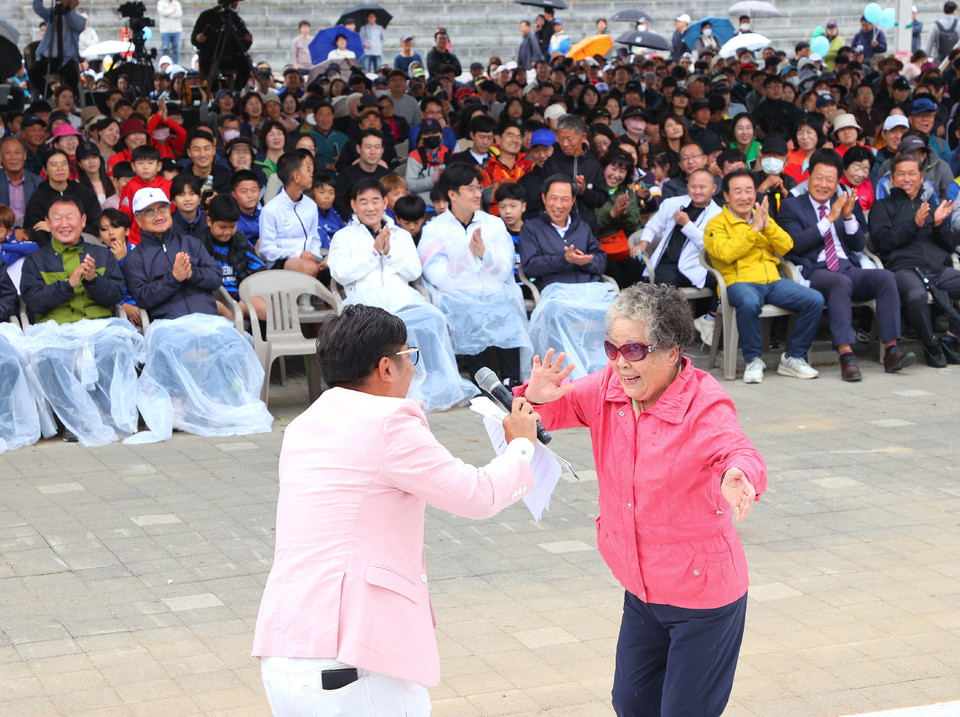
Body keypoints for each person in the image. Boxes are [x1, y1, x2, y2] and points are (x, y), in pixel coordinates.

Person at [252, 302, 538, 716]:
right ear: (386, 367)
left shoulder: (304, 423)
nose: (414, 370)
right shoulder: (389, 422)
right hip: (354, 662)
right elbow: (477, 496)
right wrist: (521, 446)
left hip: (287, 648)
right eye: (410, 357)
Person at [516, 282, 766, 717]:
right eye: (611, 348)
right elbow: (545, 414)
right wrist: (532, 397)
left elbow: (735, 448)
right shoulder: (607, 388)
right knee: (631, 705)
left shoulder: (703, 403)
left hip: (701, 594)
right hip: (642, 588)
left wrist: (738, 475)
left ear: (671, 351)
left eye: (633, 350)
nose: (619, 363)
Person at [328, 178, 476, 411]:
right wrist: (374, 252)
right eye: (363, 202)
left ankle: (430, 385)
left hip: (402, 298)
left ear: (385, 202)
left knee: (433, 318)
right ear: (354, 205)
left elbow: (414, 271)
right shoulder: (343, 236)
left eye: (376, 201)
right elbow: (341, 273)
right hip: (365, 302)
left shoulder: (400, 234)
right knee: (380, 331)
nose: (370, 207)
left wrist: (388, 253)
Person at [779, 150, 915, 381]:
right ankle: (847, 355)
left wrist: (849, 217)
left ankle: (891, 350)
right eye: (818, 178)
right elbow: (794, 245)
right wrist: (829, 220)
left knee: (885, 277)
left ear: (837, 182)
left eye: (830, 180)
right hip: (816, 270)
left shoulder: (846, 201)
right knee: (839, 282)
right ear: (809, 177)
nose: (823, 184)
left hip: (847, 266)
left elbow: (859, 244)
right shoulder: (791, 206)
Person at [19, 195, 137, 445]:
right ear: (48, 223)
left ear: (83, 221)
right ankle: (74, 419)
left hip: (99, 326)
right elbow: (34, 301)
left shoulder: (102, 255)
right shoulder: (35, 260)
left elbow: (115, 295)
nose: (64, 223)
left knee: (117, 346)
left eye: (70, 217)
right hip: (56, 329)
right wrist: (69, 285)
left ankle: (108, 414)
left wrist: (93, 280)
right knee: (47, 355)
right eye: (57, 218)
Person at [704, 169, 824, 383]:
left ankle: (793, 357)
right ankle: (753, 360)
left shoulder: (761, 216)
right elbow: (725, 253)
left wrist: (767, 226)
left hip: (772, 281)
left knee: (814, 299)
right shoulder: (716, 224)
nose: (744, 197)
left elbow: (787, 246)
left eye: (749, 190)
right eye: (738, 191)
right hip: (739, 282)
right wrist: (754, 229)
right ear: (727, 196)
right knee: (749, 302)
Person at [418, 164, 531, 387]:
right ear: (452, 194)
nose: (478, 193)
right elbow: (435, 273)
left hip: (494, 289)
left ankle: (511, 380)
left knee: (503, 305)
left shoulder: (494, 224)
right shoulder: (434, 229)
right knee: (466, 311)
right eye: (470, 188)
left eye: (479, 187)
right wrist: (464, 259)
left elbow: (505, 268)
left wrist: (484, 254)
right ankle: (483, 383)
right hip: (457, 294)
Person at [868, 152, 960, 367]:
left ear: (921, 179)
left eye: (912, 173)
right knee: (916, 295)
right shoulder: (882, 207)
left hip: (938, 270)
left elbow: (948, 245)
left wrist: (938, 225)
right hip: (904, 270)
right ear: (891, 179)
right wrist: (914, 225)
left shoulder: (931, 206)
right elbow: (882, 242)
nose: (906, 178)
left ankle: (950, 337)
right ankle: (930, 345)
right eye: (901, 174)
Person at [520, 175, 613, 378]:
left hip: (589, 292)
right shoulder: (531, 229)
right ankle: (567, 374)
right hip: (558, 294)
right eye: (553, 198)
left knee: (620, 309)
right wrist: (565, 259)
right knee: (554, 311)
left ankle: (607, 372)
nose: (558, 205)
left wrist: (585, 260)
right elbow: (530, 266)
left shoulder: (583, 227)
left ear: (573, 201)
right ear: (544, 198)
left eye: (565, 199)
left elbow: (600, 261)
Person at [259, 152, 329, 303]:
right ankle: (303, 299)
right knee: (309, 268)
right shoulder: (270, 210)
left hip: (310, 260)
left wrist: (316, 256)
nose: (312, 174)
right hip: (282, 262)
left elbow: (314, 237)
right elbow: (267, 250)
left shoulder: (310, 205)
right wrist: (298, 254)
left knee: (333, 268)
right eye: (308, 170)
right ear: (295, 177)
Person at [191, 0, 253, 90]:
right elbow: (194, 38)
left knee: (245, 65)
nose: (236, 4)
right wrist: (199, 38)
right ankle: (214, 93)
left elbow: (245, 39)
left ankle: (236, 91)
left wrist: (246, 38)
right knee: (209, 75)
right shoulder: (206, 16)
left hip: (232, 55)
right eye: (235, 1)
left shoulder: (234, 18)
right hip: (210, 55)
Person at [31, 0, 84, 97]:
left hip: (67, 58)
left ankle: (70, 98)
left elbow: (79, 26)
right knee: (33, 72)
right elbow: (38, 8)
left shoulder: (78, 18)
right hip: (48, 58)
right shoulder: (52, 14)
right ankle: (51, 97)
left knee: (72, 75)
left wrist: (67, 9)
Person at [0, 137, 42, 225]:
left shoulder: (38, 183)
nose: (13, 157)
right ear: (1, 158)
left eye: (17, 153)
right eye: (8, 153)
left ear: (25, 156)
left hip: (29, 231)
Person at [157, 0, 184, 64]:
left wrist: (168, 12)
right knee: (165, 49)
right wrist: (173, 11)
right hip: (165, 30)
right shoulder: (161, 3)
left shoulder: (177, 3)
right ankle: (165, 66)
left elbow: (179, 14)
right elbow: (163, 13)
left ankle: (176, 65)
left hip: (176, 30)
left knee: (176, 50)